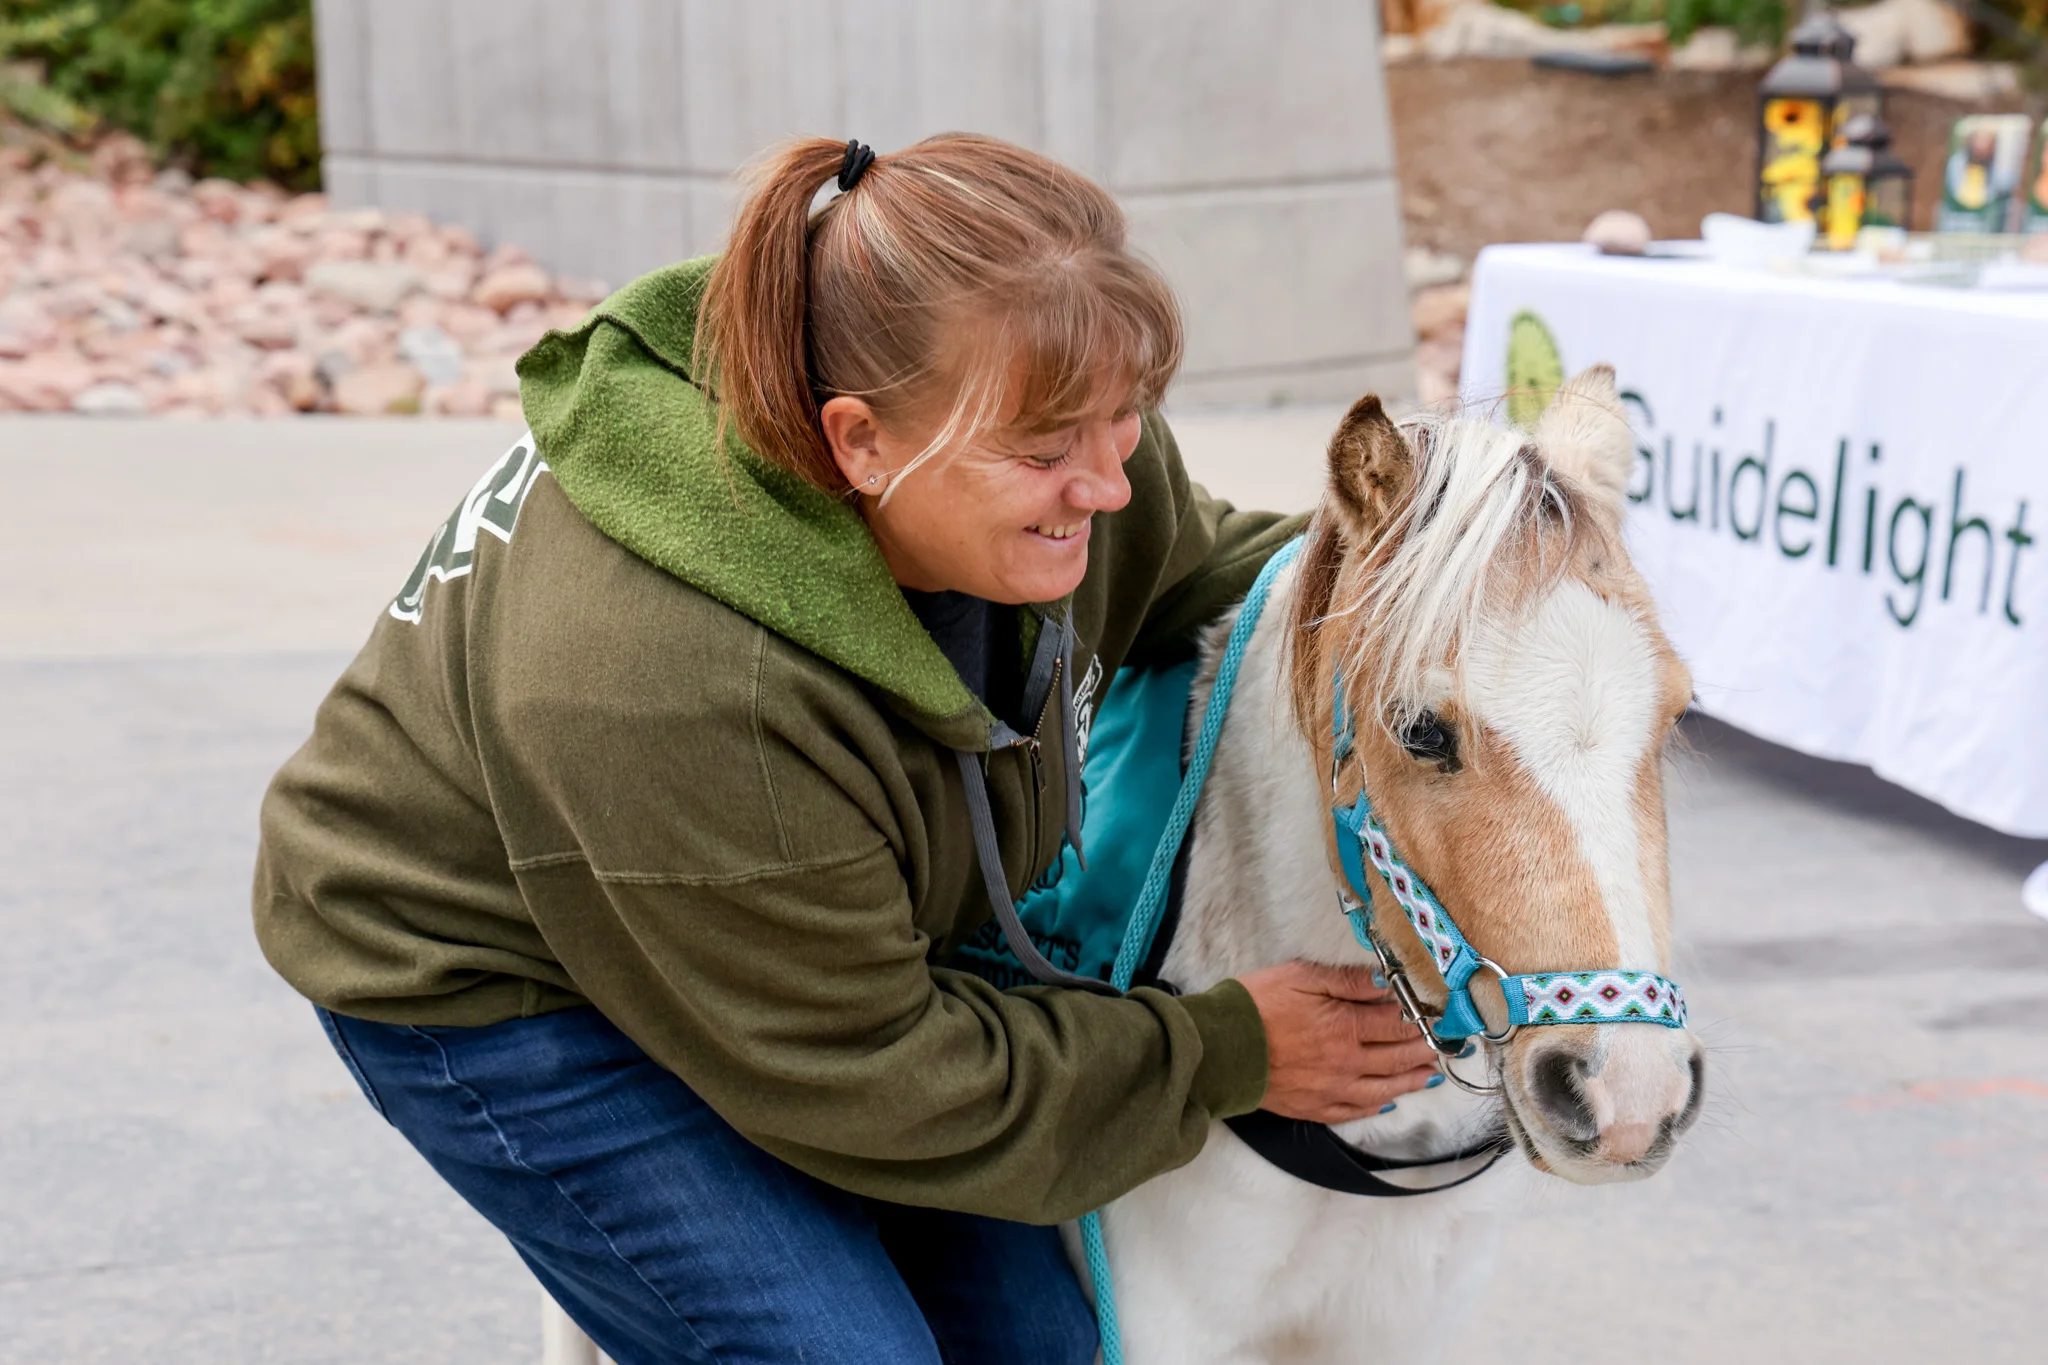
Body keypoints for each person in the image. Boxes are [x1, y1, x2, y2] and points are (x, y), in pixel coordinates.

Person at [254, 133, 1441, 1365]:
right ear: (857, 441)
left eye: (1122, 420)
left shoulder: (1008, 417)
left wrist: (1443, 580)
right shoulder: (689, 687)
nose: (1107, 487)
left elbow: (1200, 572)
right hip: (506, 981)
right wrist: (1222, 1052)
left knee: (1041, 1349)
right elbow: (874, 1076)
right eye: (1046, 452)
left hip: (776, 935)